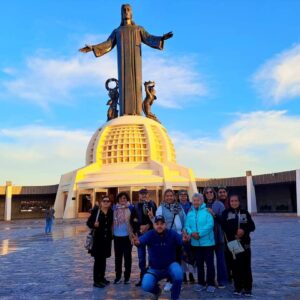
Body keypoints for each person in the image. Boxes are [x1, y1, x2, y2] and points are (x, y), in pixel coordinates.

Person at [79, 4, 173, 116]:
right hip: (123, 63)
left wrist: (161, 38)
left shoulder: (138, 29)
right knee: (124, 84)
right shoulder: (117, 31)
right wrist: (93, 48)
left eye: (128, 10)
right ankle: (125, 112)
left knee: (136, 83)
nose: (126, 12)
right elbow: (108, 44)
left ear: (131, 13)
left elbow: (149, 38)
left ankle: (137, 112)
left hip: (135, 62)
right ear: (121, 13)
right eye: (124, 10)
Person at [132, 215, 189, 300]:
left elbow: (181, 241)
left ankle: (174, 297)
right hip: (154, 268)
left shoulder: (171, 233)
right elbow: (140, 242)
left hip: (170, 265)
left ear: (165, 225)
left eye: (161, 224)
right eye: (157, 224)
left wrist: (184, 240)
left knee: (178, 275)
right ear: (154, 225)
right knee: (145, 286)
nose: (159, 226)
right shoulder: (150, 234)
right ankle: (157, 291)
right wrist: (137, 242)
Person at [221, 194, 255, 297]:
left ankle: (248, 287)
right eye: (232, 201)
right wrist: (234, 233)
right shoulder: (225, 213)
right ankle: (238, 287)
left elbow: (252, 226)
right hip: (233, 244)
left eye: (236, 201)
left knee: (246, 266)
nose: (234, 203)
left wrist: (243, 230)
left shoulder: (245, 213)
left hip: (245, 243)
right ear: (229, 202)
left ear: (239, 202)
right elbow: (224, 226)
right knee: (235, 266)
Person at [185, 193, 216, 293]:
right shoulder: (190, 213)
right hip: (195, 244)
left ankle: (211, 283)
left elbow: (210, 225)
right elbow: (187, 225)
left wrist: (199, 234)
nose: (196, 202)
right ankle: (201, 283)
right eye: (194, 200)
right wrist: (191, 233)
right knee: (199, 264)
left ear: (202, 201)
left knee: (210, 264)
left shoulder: (207, 211)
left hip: (207, 243)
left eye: (198, 200)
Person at [156, 189, 186, 292]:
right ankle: (169, 281)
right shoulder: (161, 208)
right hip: (167, 237)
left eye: (171, 195)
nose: (169, 197)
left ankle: (176, 282)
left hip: (178, 237)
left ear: (174, 196)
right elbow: (158, 223)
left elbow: (184, 220)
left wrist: (184, 232)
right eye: (167, 196)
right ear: (164, 197)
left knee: (177, 260)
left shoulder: (179, 207)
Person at [130, 188, 157, 286]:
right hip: (140, 234)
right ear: (139, 196)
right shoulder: (135, 206)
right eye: (142, 194)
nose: (144, 196)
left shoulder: (152, 204)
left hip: (151, 234)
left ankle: (152, 278)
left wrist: (148, 225)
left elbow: (156, 218)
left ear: (148, 195)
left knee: (152, 256)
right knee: (141, 258)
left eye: (145, 194)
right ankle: (143, 277)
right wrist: (139, 227)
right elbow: (132, 220)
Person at [87, 195, 113, 288]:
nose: (106, 202)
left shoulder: (111, 212)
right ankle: (96, 280)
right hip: (98, 240)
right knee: (98, 260)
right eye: (104, 201)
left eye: (108, 201)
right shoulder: (96, 212)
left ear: (110, 203)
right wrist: (94, 225)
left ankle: (102, 278)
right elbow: (88, 223)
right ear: (101, 202)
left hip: (107, 240)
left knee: (103, 260)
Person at [204, 187, 228, 288]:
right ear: (204, 194)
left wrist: (213, 214)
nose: (209, 194)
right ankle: (210, 281)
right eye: (207, 192)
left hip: (218, 236)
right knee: (209, 261)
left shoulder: (219, 204)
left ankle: (222, 280)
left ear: (214, 193)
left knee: (220, 260)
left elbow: (224, 220)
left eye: (211, 192)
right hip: (207, 237)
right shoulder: (202, 205)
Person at [113, 192, 134, 284]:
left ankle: (127, 277)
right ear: (118, 199)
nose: (123, 200)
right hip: (117, 236)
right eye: (121, 198)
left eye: (124, 198)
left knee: (127, 258)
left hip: (127, 236)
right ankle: (118, 276)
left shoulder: (130, 208)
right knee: (118, 258)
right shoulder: (114, 209)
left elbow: (134, 220)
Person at [178, 190, 195, 284]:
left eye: (185, 195)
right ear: (179, 196)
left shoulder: (192, 205)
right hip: (181, 233)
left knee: (191, 254)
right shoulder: (176, 206)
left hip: (190, 233)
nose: (183, 197)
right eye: (181, 195)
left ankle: (191, 274)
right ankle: (184, 273)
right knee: (182, 255)